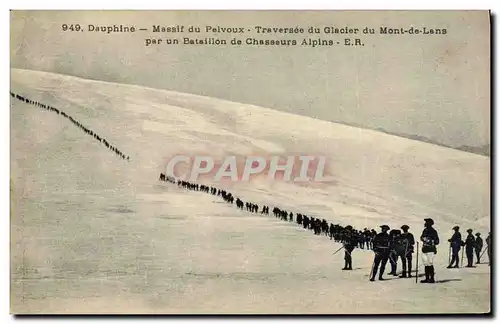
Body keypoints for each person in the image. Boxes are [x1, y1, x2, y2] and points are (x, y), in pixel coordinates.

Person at [420, 218, 440, 283]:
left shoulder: (433, 231)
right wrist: (423, 238)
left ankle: (432, 278)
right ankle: (427, 278)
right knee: (426, 264)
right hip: (425, 249)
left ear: (430, 224)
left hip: (431, 249)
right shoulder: (425, 230)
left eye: (427, 222)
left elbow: (437, 241)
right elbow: (421, 237)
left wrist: (430, 241)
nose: (425, 223)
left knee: (430, 264)